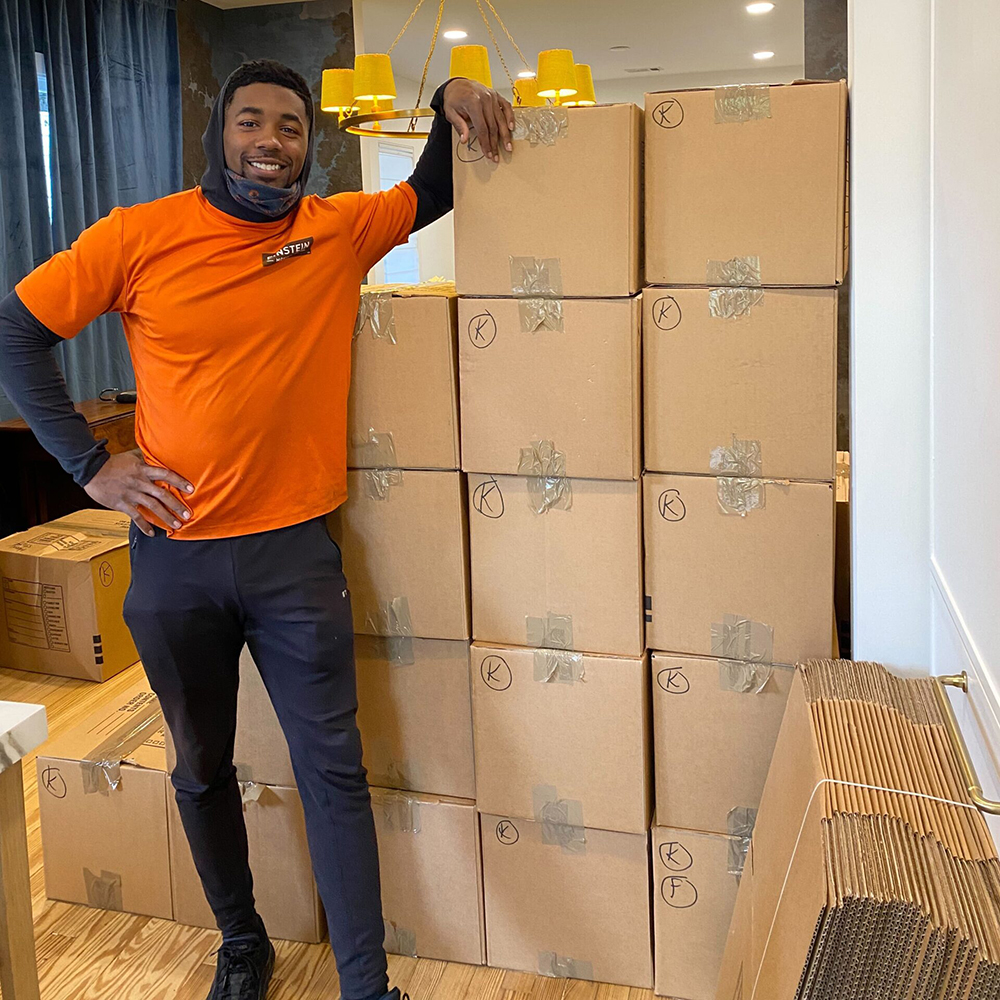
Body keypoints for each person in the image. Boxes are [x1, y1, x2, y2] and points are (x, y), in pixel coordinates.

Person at [0, 59, 514, 1000]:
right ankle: (242, 942)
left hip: (295, 558)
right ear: (219, 131)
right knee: (200, 767)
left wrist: (447, 95)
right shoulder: (139, 235)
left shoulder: (337, 230)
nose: (269, 143)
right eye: (250, 122)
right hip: (174, 563)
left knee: (335, 776)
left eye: (288, 126)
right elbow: (16, 332)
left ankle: (369, 988)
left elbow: (430, 189)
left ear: (308, 143)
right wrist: (89, 466)